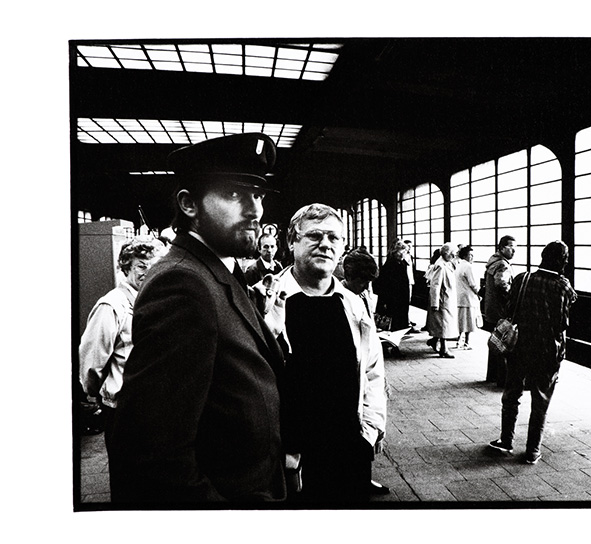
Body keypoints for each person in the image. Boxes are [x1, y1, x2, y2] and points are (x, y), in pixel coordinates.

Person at [107, 133, 287, 504]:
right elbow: (153, 455)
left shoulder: (215, 270)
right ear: (189, 204)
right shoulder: (182, 284)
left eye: (259, 195)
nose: (255, 210)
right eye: (235, 195)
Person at [265, 203, 388, 503]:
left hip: (349, 450)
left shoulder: (353, 304)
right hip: (290, 457)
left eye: (334, 238)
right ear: (291, 241)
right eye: (315, 236)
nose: (325, 244)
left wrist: (370, 430)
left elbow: (373, 371)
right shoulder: (265, 300)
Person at [487, 241, 577, 464]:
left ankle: (506, 441)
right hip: (547, 350)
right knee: (540, 399)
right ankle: (532, 451)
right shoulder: (563, 286)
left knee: (512, 393)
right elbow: (562, 323)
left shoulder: (522, 278)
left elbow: (509, 309)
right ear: (562, 261)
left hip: (519, 346)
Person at [77, 238, 163, 447]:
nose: (148, 272)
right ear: (126, 267)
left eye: (154, 266)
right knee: (126, 473)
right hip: (123, 410)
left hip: (154, 408)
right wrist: (96, 394)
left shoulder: (155, 300)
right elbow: (92, 362)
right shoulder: (111, 306)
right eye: (141, 266)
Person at [339, 248, 393, 496]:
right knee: (358, 430)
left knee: (372, 424)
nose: (366, 286)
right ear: (348, 275)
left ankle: (364, 476)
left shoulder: (362, 296)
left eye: (369, 282)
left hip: (371, 370)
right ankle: (356, 479)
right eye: (362, 281)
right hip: (353, 377)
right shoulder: (339, 300)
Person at [482, 235, 516, 385]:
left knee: (495, 341)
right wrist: (512, 297)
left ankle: (493, 375)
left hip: (491, 307)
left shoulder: (493, 261)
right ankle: (502, 378)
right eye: (510, 246)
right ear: (501, 248)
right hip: (501, 309)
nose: (514, 250)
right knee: (504, 343)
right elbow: (501, 284)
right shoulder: (503, 264)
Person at [425, 243, 458, 358]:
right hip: (442, 300)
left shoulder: (447, 263)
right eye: (452, 254)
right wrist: (435, 303)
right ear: (446, 253)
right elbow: (435, 285)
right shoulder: (440, 266)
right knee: (444, 326)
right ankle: (444, 349)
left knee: (444, 325)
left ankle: (435, 341)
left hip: (447, 298)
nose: (454, 256)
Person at [373, 241, 412, 331]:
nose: (405, 254)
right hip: (393, 297)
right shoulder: (391, 264)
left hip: (401, 296)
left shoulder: (401, 263)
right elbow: (384, 283)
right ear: (399, 252)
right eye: (405, 252)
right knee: (393, 319)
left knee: (400, 318)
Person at [453, 245, 481, 350]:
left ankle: (459, 340)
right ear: (465, 256)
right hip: (469, 298)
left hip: (460, 297)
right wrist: (479, 293)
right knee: (469, 321)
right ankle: (466, 342)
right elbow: (473, 284)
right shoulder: (469, 266)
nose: (472, 257)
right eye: (470, 255)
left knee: (461, 320)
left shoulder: (459, 265)